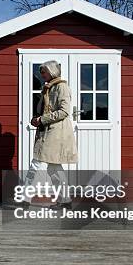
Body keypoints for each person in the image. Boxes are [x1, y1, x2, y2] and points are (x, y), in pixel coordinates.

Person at [23, 60, 78, 210]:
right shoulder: (47, 88)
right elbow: (42, 109)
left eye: (43, 72)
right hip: (46, 130)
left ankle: (25, 199)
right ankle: (65, 200)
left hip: (56, 131)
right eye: (41, 72)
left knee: (38, 163)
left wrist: (42, 119)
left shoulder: (62, 87)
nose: (41, 75)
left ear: (52, 71)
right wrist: (36, 118)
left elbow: (65, 111)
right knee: (53, 167)